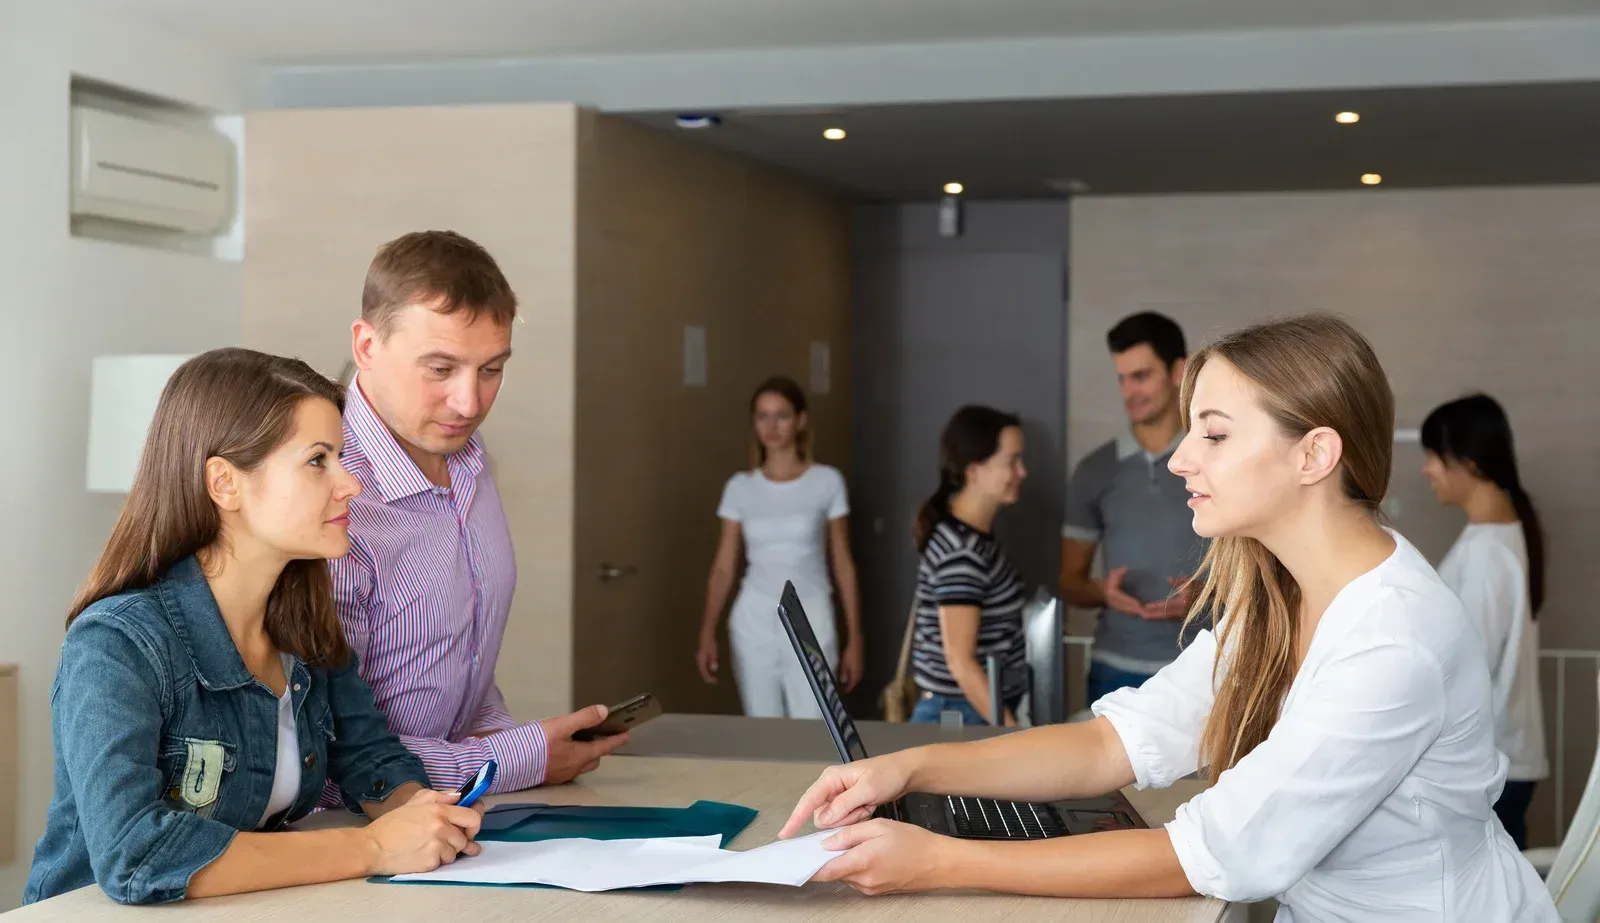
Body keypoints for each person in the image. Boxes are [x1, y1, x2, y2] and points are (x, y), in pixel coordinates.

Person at [779, 315, 1556, 921]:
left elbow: (1207, 855)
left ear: (1314, 455)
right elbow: (1112, 742)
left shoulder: (1393, 640)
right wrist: (907, 766)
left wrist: (938, 861)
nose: (1182, 458)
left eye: (1214, 433)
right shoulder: (1274, 599)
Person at [26, 349, 484, 905]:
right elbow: (136, 854)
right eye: (319, 460)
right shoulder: (117, 644)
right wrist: (373, 849)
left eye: (341, 457)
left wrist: (425, 816)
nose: (350, 485)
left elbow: (370, 758)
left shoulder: (303, 621)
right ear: (225, 484)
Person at [330, 230, 627, 797]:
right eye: (440, 370)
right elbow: (332, 758)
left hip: (467, 810)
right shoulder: (329, 492)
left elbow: (462, 653)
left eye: (491, 370)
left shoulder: (467, 456)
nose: (470, 404)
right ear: (366, 346)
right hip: (361, 834)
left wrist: (505, 745)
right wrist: (520, 759)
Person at [1422, 394, 1549, 850]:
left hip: (1493, 761)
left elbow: (1464, 665)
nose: (1427, 469)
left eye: (1434, 455)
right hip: (1508, 755)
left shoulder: (1486, 553)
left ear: (1469, 461)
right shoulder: (1507, 534)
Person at [1060, 312, 1206, 704]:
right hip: (1115, 671)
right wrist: (1102, 591)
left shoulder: (1216, 460)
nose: (1128, 392)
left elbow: (1264, 568)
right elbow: (1069, 582)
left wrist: (1209, 594)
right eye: (1121, 379)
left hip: (1205, 665)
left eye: (1140, 376)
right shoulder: (1094, 471)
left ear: (1179, 370)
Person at [696, 376, 863, 718]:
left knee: (816, 722)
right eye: (762, 416)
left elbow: (843, 561)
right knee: (762, 724)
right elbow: (724, 566)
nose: (771, 426)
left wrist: (856, 636)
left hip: (811, 612)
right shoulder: (740, 488)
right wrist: (707, 630)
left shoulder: (826, 481)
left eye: (781, 416)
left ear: (800, 420)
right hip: (754, 617)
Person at [905, 405, 1029, 726]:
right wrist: (1013, 733)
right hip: (962, 714)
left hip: (969, 710)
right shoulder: (962, 552)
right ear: (974, 470)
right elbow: (960, 661)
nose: (1022, 472)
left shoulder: (973, 538)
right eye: (1012, 461)